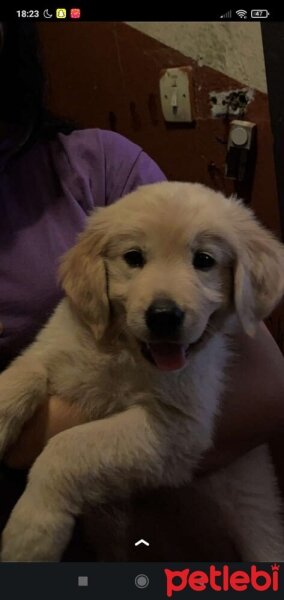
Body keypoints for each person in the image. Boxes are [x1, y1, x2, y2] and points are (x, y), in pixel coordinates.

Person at [1, 22, 284, 560]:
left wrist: (51, 466)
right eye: (134, 258)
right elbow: (37, 370)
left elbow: (262, 392)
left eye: (203, 261)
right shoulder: (83, 293)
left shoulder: (97, 169)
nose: (165, 296)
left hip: (207, 518)